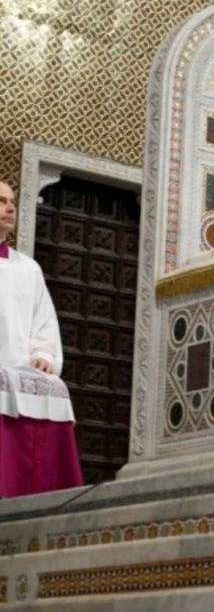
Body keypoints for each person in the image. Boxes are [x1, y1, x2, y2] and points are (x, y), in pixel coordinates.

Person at [0, 181, 83, 496]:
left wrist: (43, 356)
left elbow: (43, 321)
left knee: (53, 388)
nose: (10, 208)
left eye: (12, 201)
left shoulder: (28, 269)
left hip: (17, 371)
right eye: (1, 201)